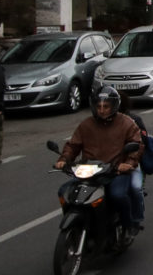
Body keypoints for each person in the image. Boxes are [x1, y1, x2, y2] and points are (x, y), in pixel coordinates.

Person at [59, 85, 145, 230]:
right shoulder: (86, 125)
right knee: (64, 191)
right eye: (99, 106)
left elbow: (137, 145)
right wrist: (64, 159)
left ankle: (127, 226)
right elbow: (73, 145)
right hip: (90, 172)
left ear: (114, 106)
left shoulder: (127, 123)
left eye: (106, 106)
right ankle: (79, 223)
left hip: (115, 172)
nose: (102, 110)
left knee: (117, 195)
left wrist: (128, 163)